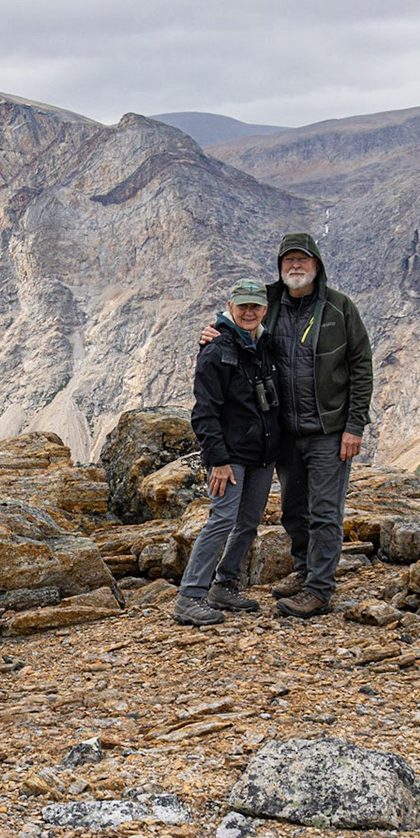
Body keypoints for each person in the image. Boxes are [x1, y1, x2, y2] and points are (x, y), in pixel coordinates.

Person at [201, 233, 373, 617]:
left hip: (329, 431)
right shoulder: (269, 302)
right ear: (280, 267)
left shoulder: (339, 309)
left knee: (325, 511)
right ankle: (303, 570)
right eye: (289, 260)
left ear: (317, 265)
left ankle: (319, 590)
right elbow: (235, 323)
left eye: (303, 260)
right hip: (284, 432)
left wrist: (355, 425)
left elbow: (361, 366)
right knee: (294, 510)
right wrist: (210, 335)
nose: (296, 266)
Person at [172, 278, 281, 627]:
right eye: (243, 306)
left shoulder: (265, 344)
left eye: (256, 306)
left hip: (262, 452)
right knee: (222, 519)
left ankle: (224, 585)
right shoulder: (216, 350)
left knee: (248, 522)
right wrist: (217, 460)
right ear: (231, 307)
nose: (249, 312)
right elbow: (204, 412)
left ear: (264, 309)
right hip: (230, 455)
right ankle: (190, 596)